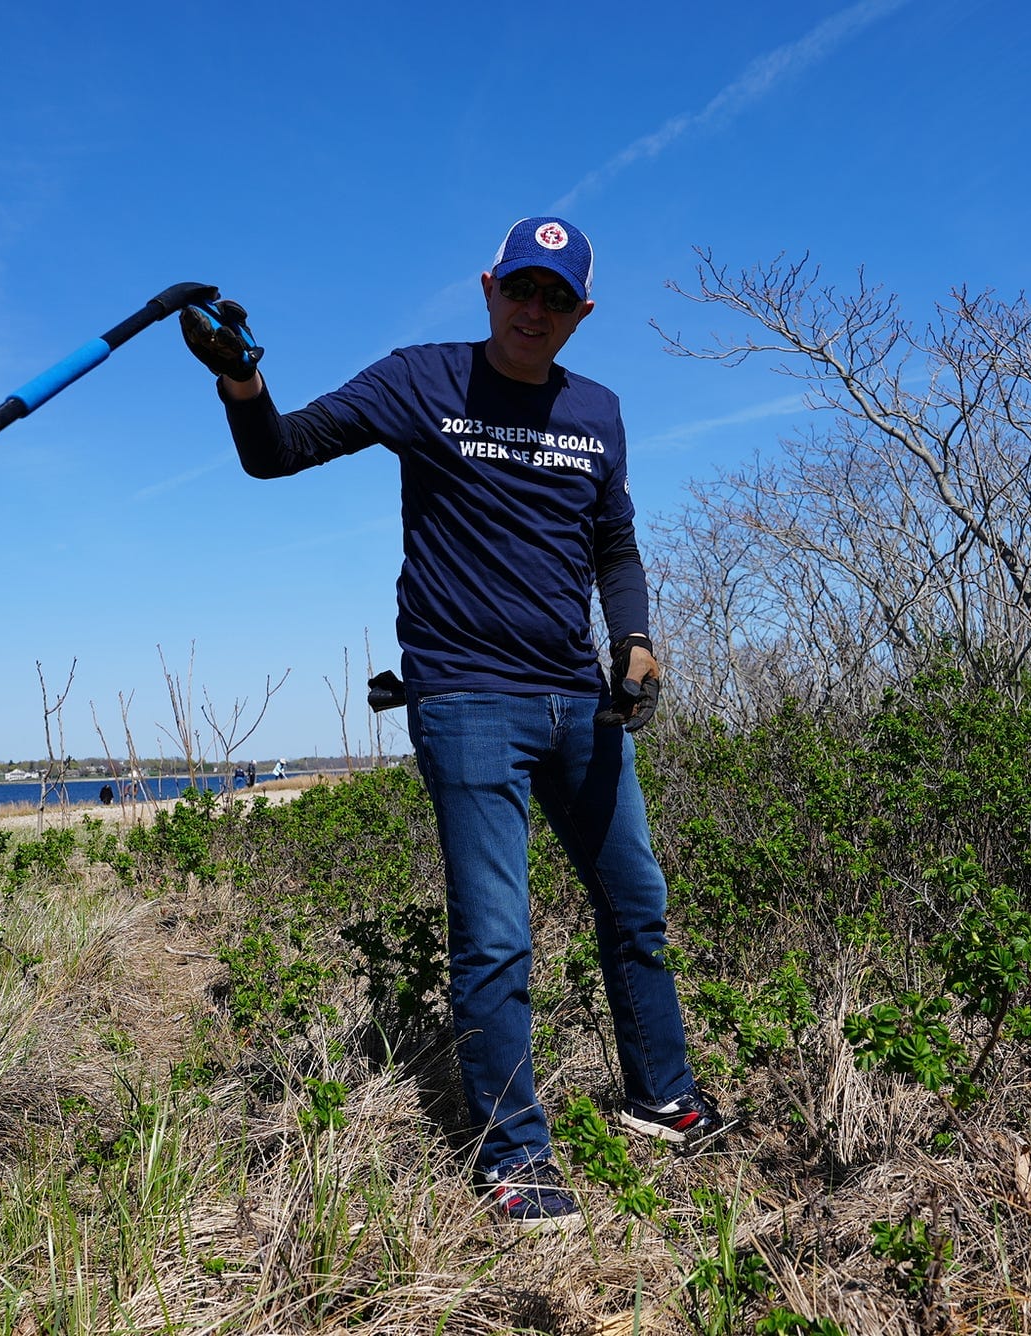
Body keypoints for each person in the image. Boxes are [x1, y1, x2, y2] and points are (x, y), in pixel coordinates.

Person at [183, 217, 731, 1233]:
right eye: (519, 288)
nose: (534, 311)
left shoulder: (598, 411)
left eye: (555, 297)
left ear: (581, 313)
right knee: (495, 934)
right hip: (467, 699)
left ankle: (662, 1097)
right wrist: (241, 383)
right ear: (486, 288)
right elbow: (278, 453)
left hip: (580, 699)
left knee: (636, 901)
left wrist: (638, 638)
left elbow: (615, 544)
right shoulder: (419, 380)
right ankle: (512, 1157)